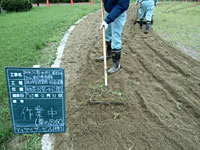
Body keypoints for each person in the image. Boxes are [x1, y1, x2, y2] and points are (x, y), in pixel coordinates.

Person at [99, 0, 130, 74]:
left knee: (116, 37)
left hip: (119, 13)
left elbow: (121, 6)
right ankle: (109, 54)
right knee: (107, 34)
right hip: (109, 11)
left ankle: (116, 64)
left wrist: (107, 20)